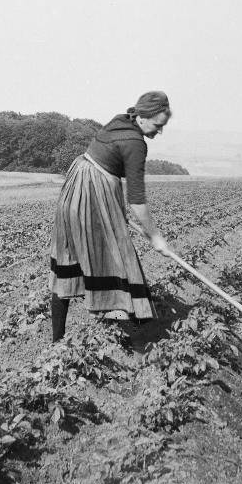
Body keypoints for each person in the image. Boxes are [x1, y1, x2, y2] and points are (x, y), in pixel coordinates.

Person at [49, 91, 173, 342]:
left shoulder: (120, 120)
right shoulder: (136, 143)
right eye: (158, 125)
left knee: (68, 258)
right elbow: (137, 199)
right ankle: (141, 339)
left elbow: (108, 163)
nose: (159, 132)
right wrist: (156, 237)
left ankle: (56, 341)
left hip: (74, 188)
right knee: (121, 258)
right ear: (143, 117)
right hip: (93, 194)